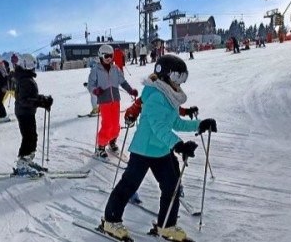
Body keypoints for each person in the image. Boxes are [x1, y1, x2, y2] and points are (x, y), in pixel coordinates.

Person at [101, 54, 217, 241]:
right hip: (143, 149)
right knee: (129, 184)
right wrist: (178, 145)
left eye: (183, 78)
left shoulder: (169, 96)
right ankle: (110, 220)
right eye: (178, 78)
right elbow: (158, 127)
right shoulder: (155, 96)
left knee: (172, 186)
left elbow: (175, 122)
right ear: (165, 76)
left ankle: (166, 225)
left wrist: (200, 125)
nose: (181, 83)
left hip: (161, 150)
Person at [88, 44, 138, 158]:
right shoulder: (96, 69)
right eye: (106, 56)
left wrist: (130, 90)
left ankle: (112, 141)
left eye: (111, 56)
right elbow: (90, 85)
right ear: (101, 56)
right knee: (107, 124)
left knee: (115, 124)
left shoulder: (115, 69)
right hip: (104, 101)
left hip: (115, 99)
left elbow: (123, 82)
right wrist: (95, 91)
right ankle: (101, 146)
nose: (109, 58)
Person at [12, 53, 53, 177]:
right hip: (24, 113)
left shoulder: (25, 77)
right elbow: (24, 100)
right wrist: (40, 102)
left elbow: (30, 97)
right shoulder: (24, 79)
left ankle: (27, 161)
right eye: (31, 65)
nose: (34, 67)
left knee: (32, 136)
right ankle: (22, 165)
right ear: (25, 65)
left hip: (27, 112)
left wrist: (43, 99)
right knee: (28, 137)